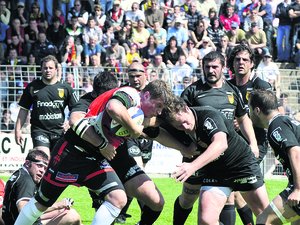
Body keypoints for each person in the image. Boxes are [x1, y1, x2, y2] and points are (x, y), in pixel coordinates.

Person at [14, 78, 176, 225]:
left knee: (118, 198)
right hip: (71, 154)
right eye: (159, 105)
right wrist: (129, 131)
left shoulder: (140, 110)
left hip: (94, 159)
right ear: (146, 95)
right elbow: (113, 107)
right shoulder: (130, 94)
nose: (159, 111)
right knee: (41, 203)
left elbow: (154, 127)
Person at [174, 51, 259, 225]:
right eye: (207, 67)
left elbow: (243, 119)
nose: (211, 70)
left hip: (225, 156)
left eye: (215, 67)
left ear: (223, 68)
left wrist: (253, 143)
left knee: (229, 198)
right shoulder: (192, 92)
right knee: (187, 198)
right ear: (202, 68)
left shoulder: (232, 91)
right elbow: (179, 123)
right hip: (198, 155)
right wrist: (185, 146)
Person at [163, 97, 269, 225]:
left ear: (186, 109)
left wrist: (192, 166)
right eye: (179, 126)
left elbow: (221, 143)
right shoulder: (177, 123)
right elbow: (155, 131)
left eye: (185, 122)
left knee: (266, 217)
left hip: (242, 165)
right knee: (206, 220)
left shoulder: (208, 115)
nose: (185, 127)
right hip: (216, 171)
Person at [228, 44, 272, 225]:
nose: (240, 63)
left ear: (252, 63)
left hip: (256, 144)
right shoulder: (227, 86)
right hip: (233, 144)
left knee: (239, 190)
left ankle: (269, 219)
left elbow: (269, 118)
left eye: (245, 59)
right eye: (237, 59)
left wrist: (245, 120)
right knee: (234, 192)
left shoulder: (260, 86)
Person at [249, 89, 300, 224]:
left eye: (249, 108)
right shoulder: (286, 120)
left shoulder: (276, 126)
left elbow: (295, 152)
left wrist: (298, 189)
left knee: (264, 221)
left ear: (257, 110)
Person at [14, 55, 78, 156]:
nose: (48, 70)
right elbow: (24, 110)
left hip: (60, 131)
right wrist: (17, 130)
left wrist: (69, 123)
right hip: (39, 131)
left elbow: (76, 109)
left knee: (56, 164)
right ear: (41, 69)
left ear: (56, 69)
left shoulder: (66, 88)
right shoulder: (32, 87)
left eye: (51, 68)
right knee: (44, 159)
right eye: (45, 68)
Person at [2, 150, 81, 225]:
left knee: (62, 211)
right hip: (21, 222)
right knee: (72, 216)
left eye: (45, 168)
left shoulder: (20, 173)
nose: (42, 170)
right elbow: (24, 210)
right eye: (39, 166)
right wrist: (58, 205)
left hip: (15, 220)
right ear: (27, 163)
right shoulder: (25, 180)